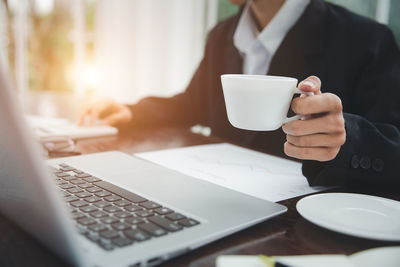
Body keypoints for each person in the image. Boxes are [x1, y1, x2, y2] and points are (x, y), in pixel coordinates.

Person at [79, 0, 400, 190]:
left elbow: (392, 149)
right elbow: (194, 103)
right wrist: (134, 112)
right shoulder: (222, 35)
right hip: (217, 195)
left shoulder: (368, 40)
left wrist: (345, 139)